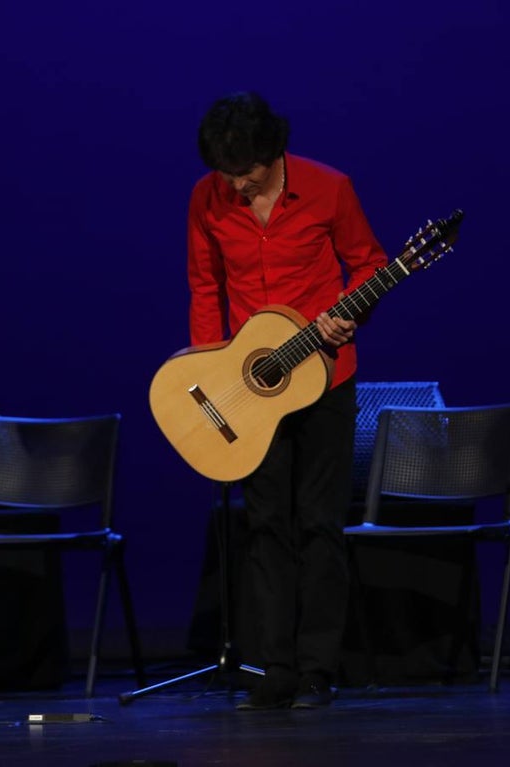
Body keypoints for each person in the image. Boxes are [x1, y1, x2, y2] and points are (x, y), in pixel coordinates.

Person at [187, 91, 390, 709]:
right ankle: (275, 667)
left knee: (319, 523)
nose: (238, 189)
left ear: (275, 155)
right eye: (228, 178)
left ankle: (317, 670)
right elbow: (204, 286)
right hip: (251, 385)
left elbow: (370, 262)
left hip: (326, 378)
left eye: (246, 177)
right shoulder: (207, 198)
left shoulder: (330, 188)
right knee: (265, 523)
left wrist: (347, 317)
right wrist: (210, 379)